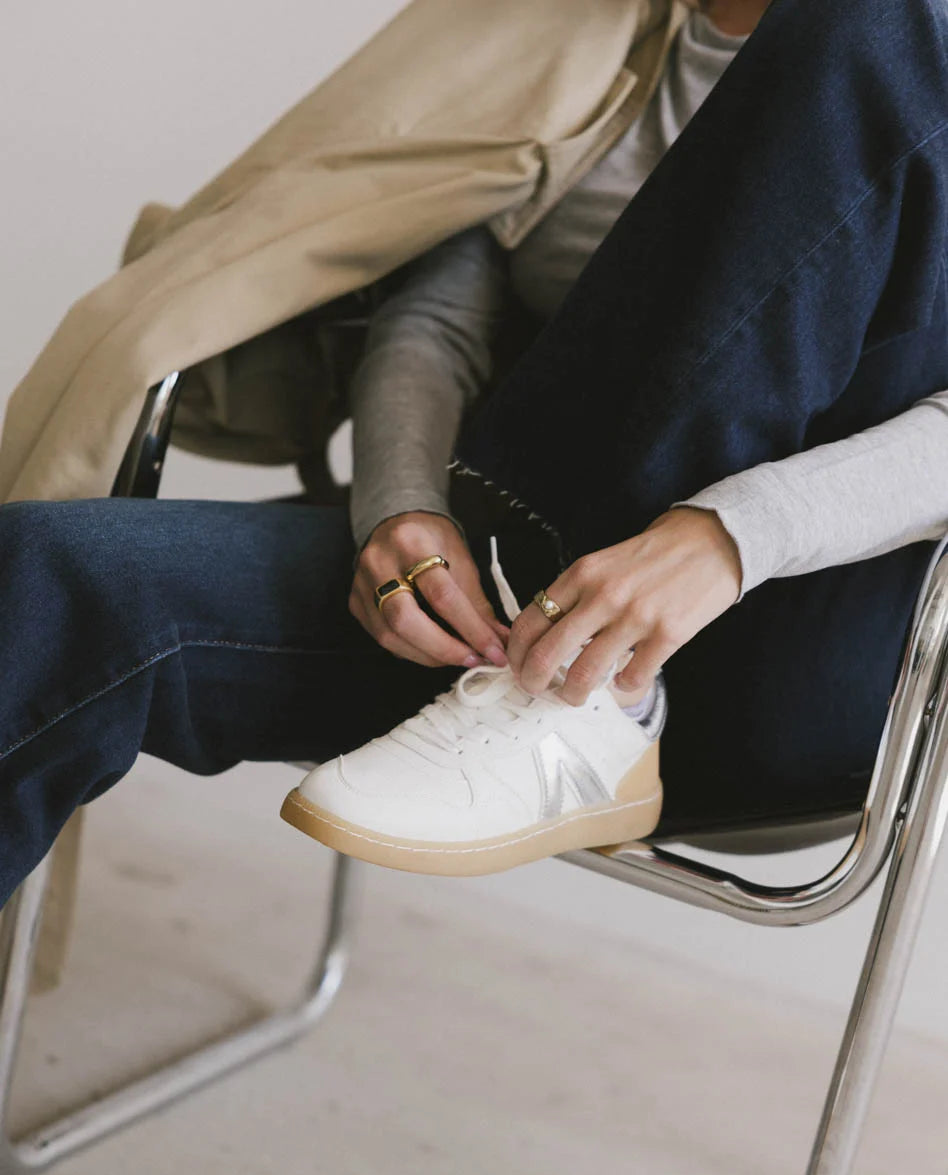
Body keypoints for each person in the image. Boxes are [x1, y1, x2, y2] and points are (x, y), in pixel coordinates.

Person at [2, 0, 947, 896]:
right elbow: (436, 328)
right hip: (503, 618)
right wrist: (402, 510)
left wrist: (725, 535)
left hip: (791, 650)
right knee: (53, 576)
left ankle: (598, 696)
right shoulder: (562, 44)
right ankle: (564, 679)